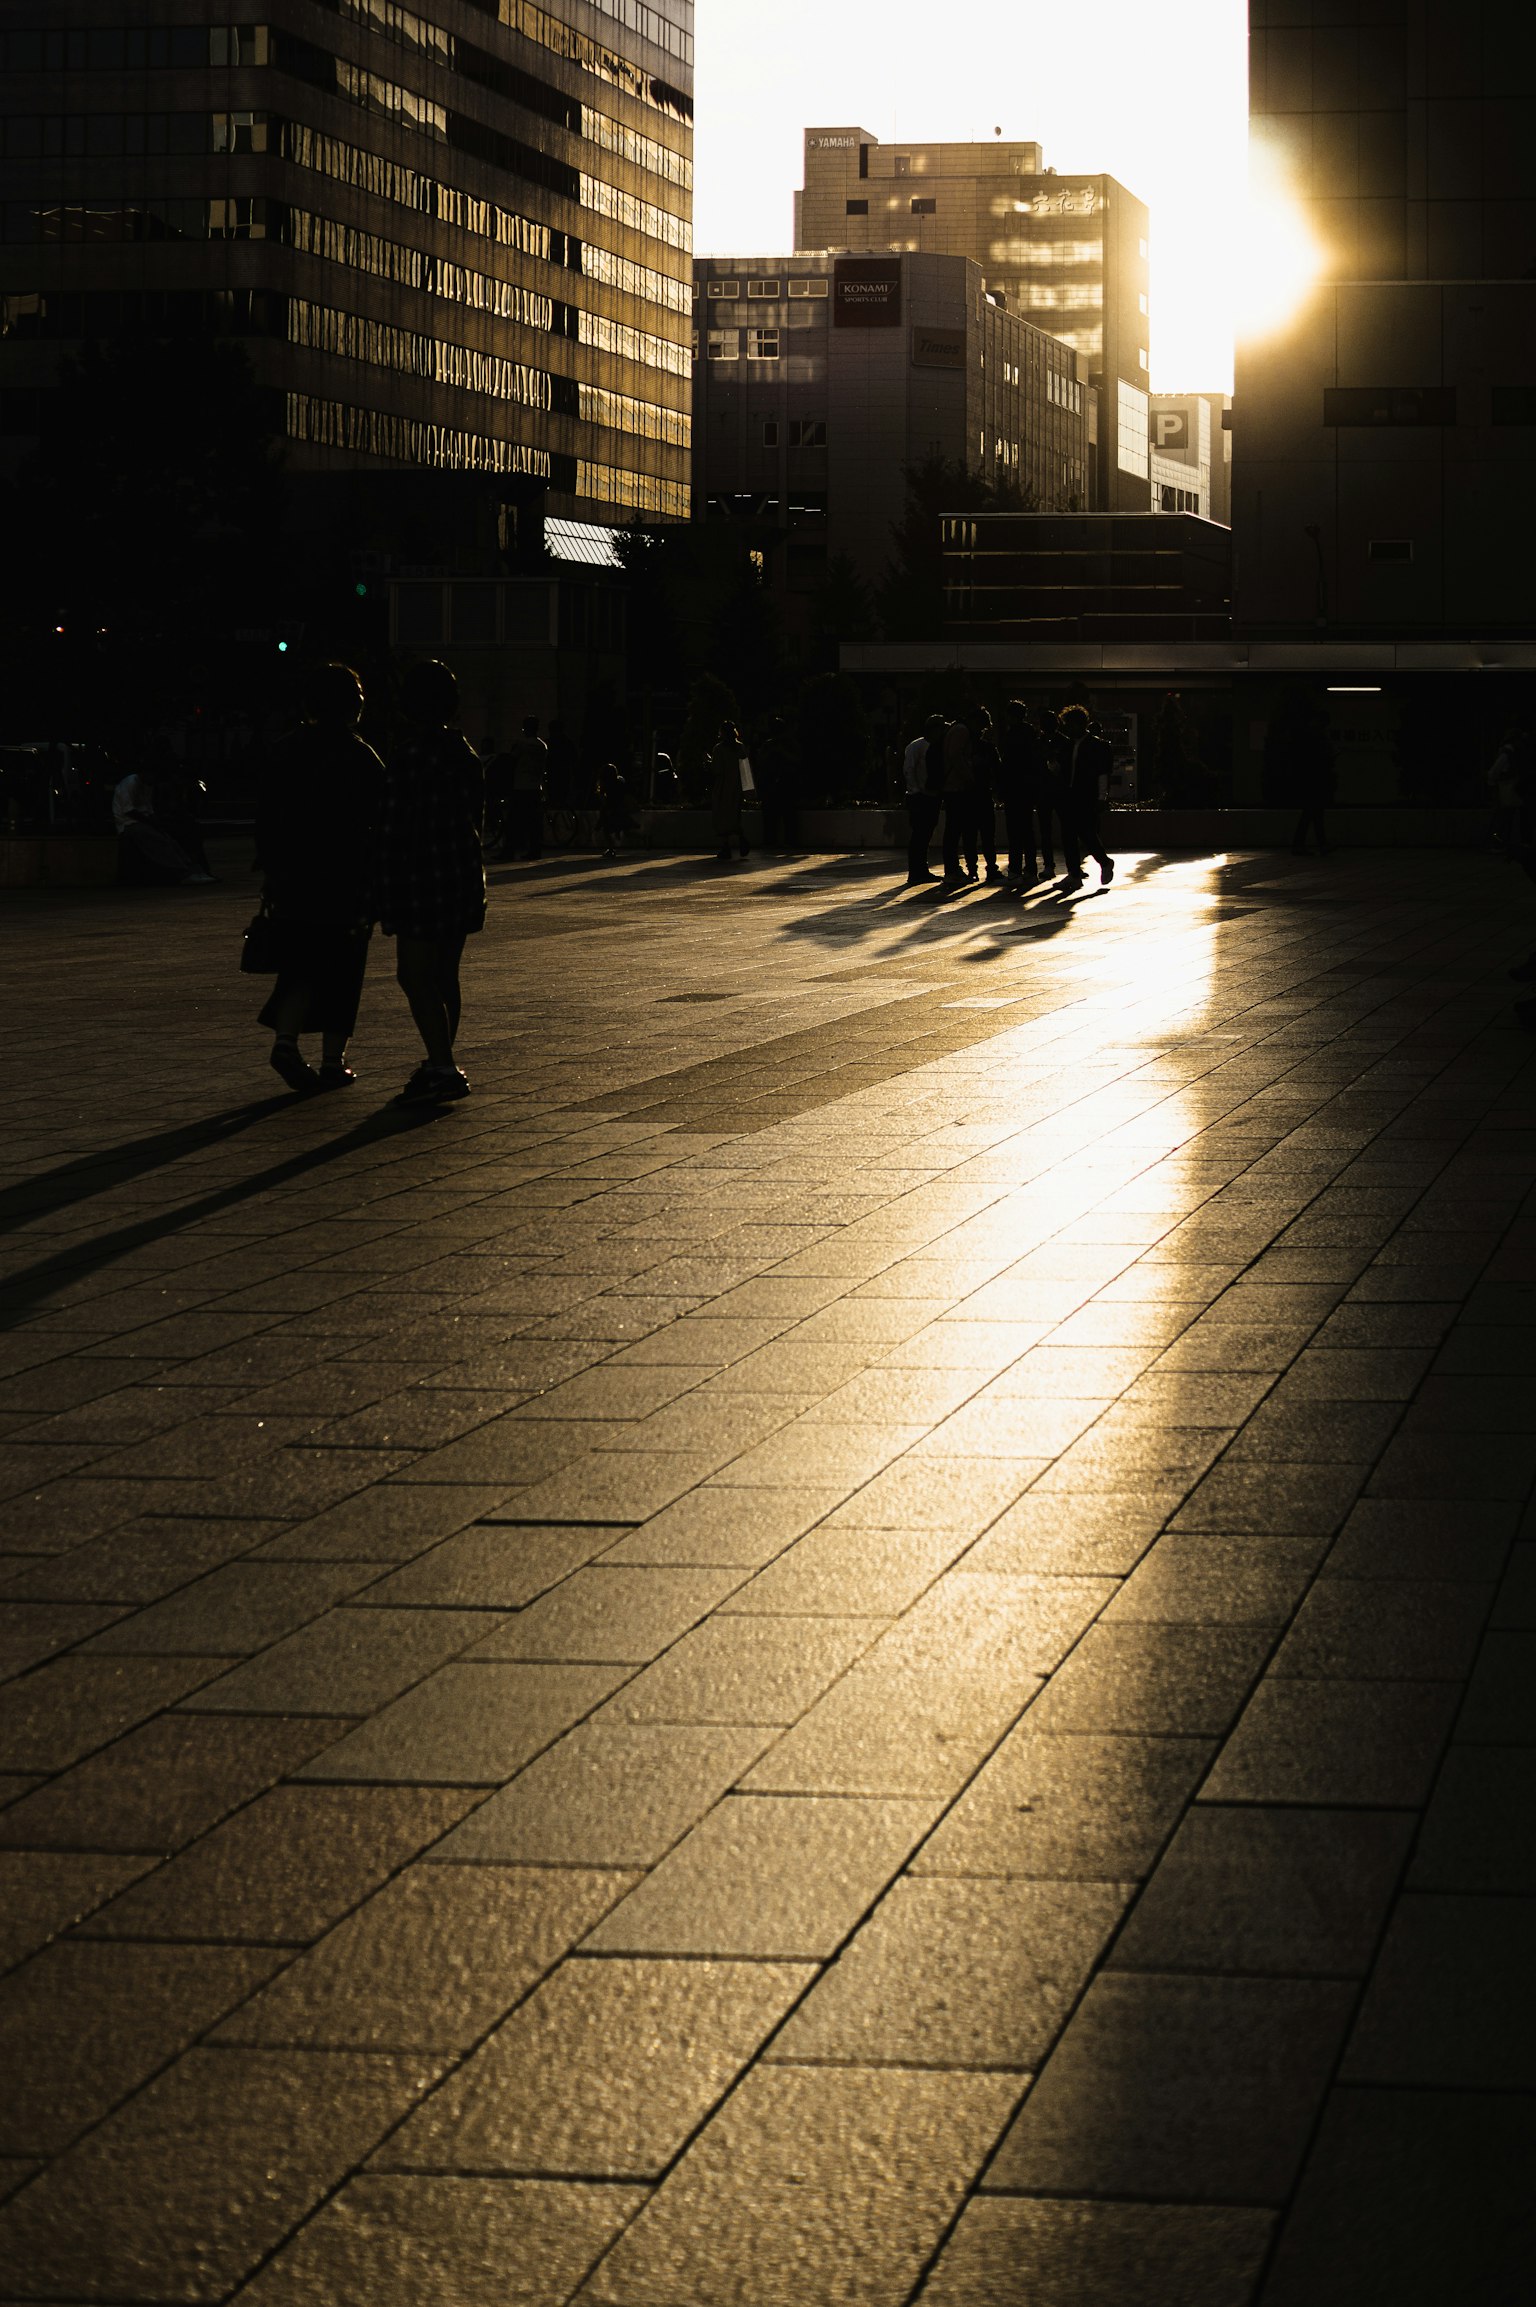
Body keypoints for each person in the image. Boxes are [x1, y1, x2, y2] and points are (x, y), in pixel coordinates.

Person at [255, 661, 379, 1093]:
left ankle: (286, 1042)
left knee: (299, 965)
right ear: (350, 706)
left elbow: (268, 817)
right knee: (345, 968)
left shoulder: (284, 750)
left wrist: (270, 871)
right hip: (344, 878)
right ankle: (333, 1059)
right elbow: (377, 823)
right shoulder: (360, 756)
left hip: (294, 876)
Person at [378, 658, 486, 1105]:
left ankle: (442, 1065)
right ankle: (440, 1056)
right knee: (445, 975)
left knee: (413, 973)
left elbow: (394, 826)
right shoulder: (465, 754)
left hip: (422, 878)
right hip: (462, 875)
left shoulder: (409, 757)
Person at [1054, 705, 1114, 890]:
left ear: (1082, 724)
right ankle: (1074, 874)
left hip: (1086, 796)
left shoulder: (1098, 746)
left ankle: (1103, 862)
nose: (1069, 728)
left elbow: (1103, 774)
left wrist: (1102, 797)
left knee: (1087, 833)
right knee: (1068, 836)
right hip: (1068, 796)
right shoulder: (1066, 745)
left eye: (1072, 724)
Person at [112, 768, 205, 884]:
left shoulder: (147, 785)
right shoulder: (130, 783)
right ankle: (182, 873)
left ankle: (191, 869)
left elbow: (148, 808)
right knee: (157, 841)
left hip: (141, 821)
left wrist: (157, 824)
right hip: (128, 823)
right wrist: (150, 822)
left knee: (169, 838)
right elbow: (129, 810)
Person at [997, 700, 1054, 885]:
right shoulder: (1032, 735)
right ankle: (1030, 869)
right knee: (1028, 830)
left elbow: (1006, 765)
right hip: (1029, 788)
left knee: (1014, 831)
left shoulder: (1011, 735)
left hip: (1014, 788)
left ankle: (1014, 870)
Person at [497, 715, 548, 860]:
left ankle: (509, 851)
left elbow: (511, 762)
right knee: (534, 822)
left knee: (513, 821)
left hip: (520, 786)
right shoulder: (542, 746)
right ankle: (534, 850)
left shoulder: (521, 744)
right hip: (535, 787)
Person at [1292, 699, 1338, 856]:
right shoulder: (1317, 737)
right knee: (1313, 813)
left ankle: (1317, 843)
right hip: (1316, 780)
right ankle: (1314, 844)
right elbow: (1321, 759)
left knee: (1313, 813)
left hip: (1310, 780)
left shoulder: (1309, 735)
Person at [902, 714, 944, 884]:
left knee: (925, 834)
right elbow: (909, 769)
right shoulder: (916, 747)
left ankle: (921, 869)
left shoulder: (935, 746)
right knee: (920, 834)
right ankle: (916, 871)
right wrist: (916, 790)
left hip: (931, 795)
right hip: (920, 796)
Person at [940, 714, 980, 885]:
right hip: (957, 787)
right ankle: (953, 870)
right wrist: (969, 777)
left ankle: (953, 869)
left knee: (953, 830)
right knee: (959, 830)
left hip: (952, 787)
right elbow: (955, 755)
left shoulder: (954, 729)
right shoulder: (961, 731)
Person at [756, 717, 799, 853]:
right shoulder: (768, 745)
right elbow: (760, 759)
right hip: (771, 782)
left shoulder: (789, 744)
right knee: (770, 814)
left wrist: (781, 752)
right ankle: (770, 840)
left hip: (786, 782)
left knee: (788, 814)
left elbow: (797, 759)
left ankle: (790, 840)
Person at [709, 722, 751, 861]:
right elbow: (745, 770)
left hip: (723, 787)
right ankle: (741, 839)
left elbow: (717, 770)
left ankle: (725, 846)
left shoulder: (719, 749)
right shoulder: (740, 747)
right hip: (737, 787)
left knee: (721, 816)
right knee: (734, 815)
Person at [972, 708, 1004, 884]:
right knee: (987, 835)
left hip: (971, 794)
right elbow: (997, 771)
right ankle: (991, 868)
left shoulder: (966, 747)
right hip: (983, 794)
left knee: (971, 834)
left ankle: (972, 869)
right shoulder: (988, 748)